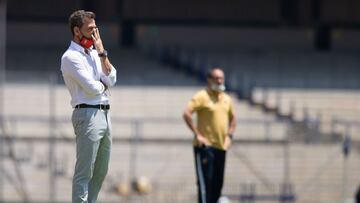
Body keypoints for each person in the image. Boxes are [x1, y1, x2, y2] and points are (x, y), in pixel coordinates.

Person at [60, 10, 117, 203]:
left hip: (104, 114)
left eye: (95, 28)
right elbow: (93, 88)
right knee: (84, 172)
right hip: (87, 114)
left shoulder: (94, 53)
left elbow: (113, 77)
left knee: (100, 172)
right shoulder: (70, 57)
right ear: (77, 31)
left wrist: (102, 53)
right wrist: (104, 83)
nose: (95, 33)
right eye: (90, 29)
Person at [183, 67, 236, 203]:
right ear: (209, 79)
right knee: (205, 186)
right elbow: (187, 113)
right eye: (216, 78)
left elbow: (233, 119)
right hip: (205, 148)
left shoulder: (226, 99)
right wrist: (197, 134)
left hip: (221, 147)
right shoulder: (202, 96)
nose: (219, 81)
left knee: (217, 186)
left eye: (221, 78)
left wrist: (229, 136)